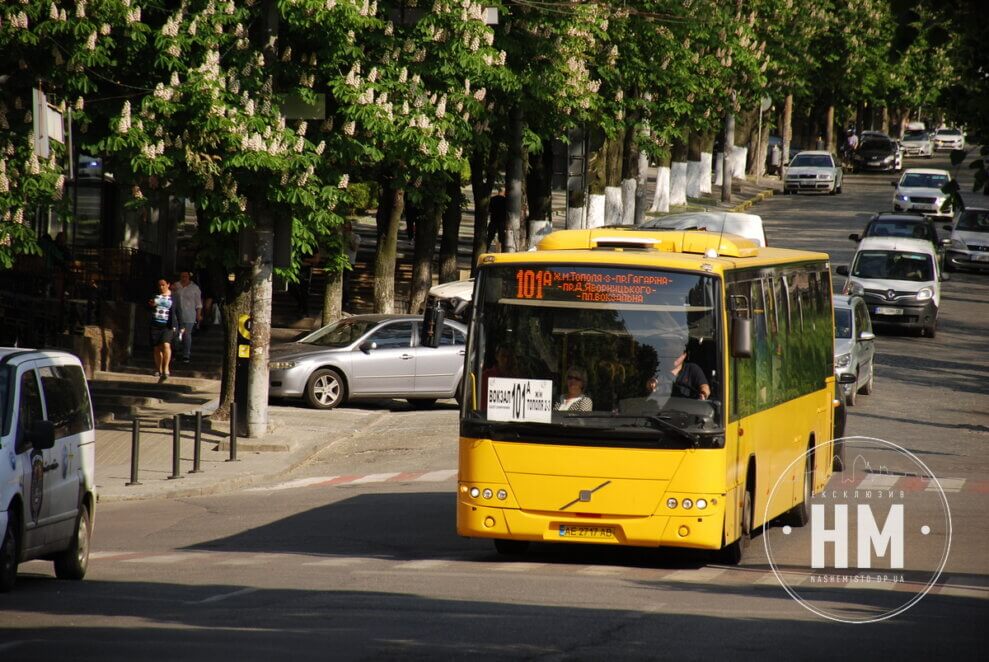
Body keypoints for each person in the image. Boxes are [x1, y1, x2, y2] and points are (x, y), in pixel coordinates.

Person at [148, 277, 178, 382]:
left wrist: (181, 326)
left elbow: (178, 311)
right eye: (159, 285)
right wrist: (151, 305)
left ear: (168, 284)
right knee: (157, 348)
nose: (161, 287)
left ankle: (166, 369)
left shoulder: (174, 297)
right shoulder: (155, 296)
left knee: (166, 344)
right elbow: (149, 307)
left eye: (163, 285)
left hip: (167, 325)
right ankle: (158, 369)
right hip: (155, 324)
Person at [172, 271, 203, 363]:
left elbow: (198, 303)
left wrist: (198, 315)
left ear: (189, 277)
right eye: (182, 276)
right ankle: (175, 352)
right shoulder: (176, 285)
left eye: (186, 276)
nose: (184, 278)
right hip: (176, 315)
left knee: (187, 334)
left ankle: (186, 354)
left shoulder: (195, 288)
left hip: (189, 315)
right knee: (175, 334)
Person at [343, 221, 361, 309]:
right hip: (339, 262)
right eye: (344, 228)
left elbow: (355, 248)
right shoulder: (340, 236)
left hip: (349, 262)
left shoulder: (355, 237)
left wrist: (349, 239)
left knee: (345, 282)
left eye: (347, 228)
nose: (345, 230)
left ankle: (346, 301)